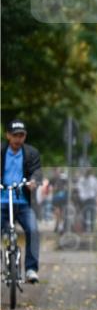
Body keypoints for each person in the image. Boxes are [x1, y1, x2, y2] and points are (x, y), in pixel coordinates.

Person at [1, 119, 41, 283]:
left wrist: (34, 181)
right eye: (15, 135)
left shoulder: (31, 153)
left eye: (21, 135)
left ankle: (31, 269)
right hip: (2, 201)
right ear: (8, 135)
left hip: (23, 202)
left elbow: (36, 172)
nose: (18, 139)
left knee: (33, 230)